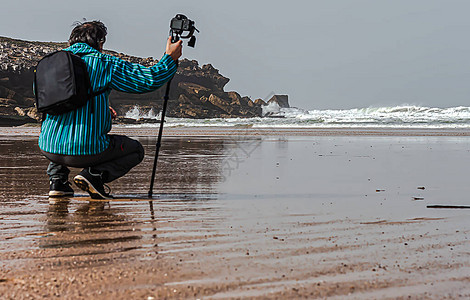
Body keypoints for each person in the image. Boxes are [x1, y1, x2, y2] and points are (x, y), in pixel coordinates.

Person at [39, 20, 182, 199]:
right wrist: (170, 58)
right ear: (100, 42)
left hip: (48, 148)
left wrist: (100, 107)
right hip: (87, 151)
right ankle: (94, 175)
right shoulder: (104, 62)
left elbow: (55, 101)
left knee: (57, 125)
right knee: (136, 150)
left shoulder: (49, 64)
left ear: (72, 40)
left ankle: (57, 182)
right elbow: (147, 80)